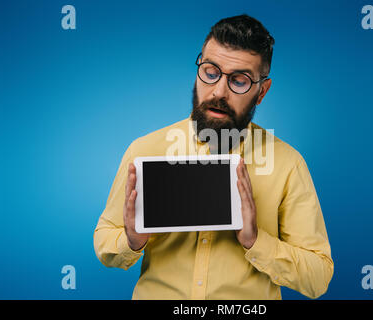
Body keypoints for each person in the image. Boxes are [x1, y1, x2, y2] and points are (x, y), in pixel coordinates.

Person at [93, 14, 333, 300]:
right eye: (210, 72)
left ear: (261, 92)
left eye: (240, 80)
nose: (219, 91)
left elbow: (318, 277)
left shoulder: (287, 164)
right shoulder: (145, 150)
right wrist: (131, 241)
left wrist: (255, 241)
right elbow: (105, 241)